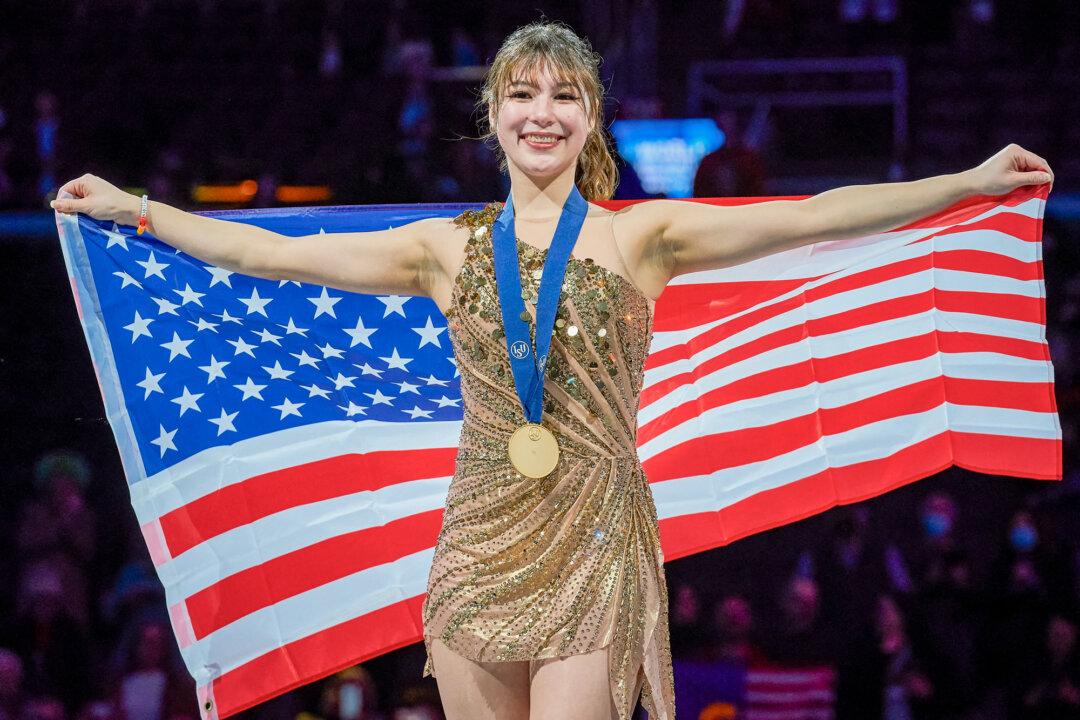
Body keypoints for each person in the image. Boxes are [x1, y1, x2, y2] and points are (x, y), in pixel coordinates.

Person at [50, 19, 1054, 720]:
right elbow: (261, 252)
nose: (542, 111)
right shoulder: (442, 247)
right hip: (478, 546)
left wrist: (964, 183)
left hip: (593, 542)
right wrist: (140, 209)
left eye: (563, 94)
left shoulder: (642, 236)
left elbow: (811, 215)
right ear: (491, 113)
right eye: (522, 93)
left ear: (590, 116)